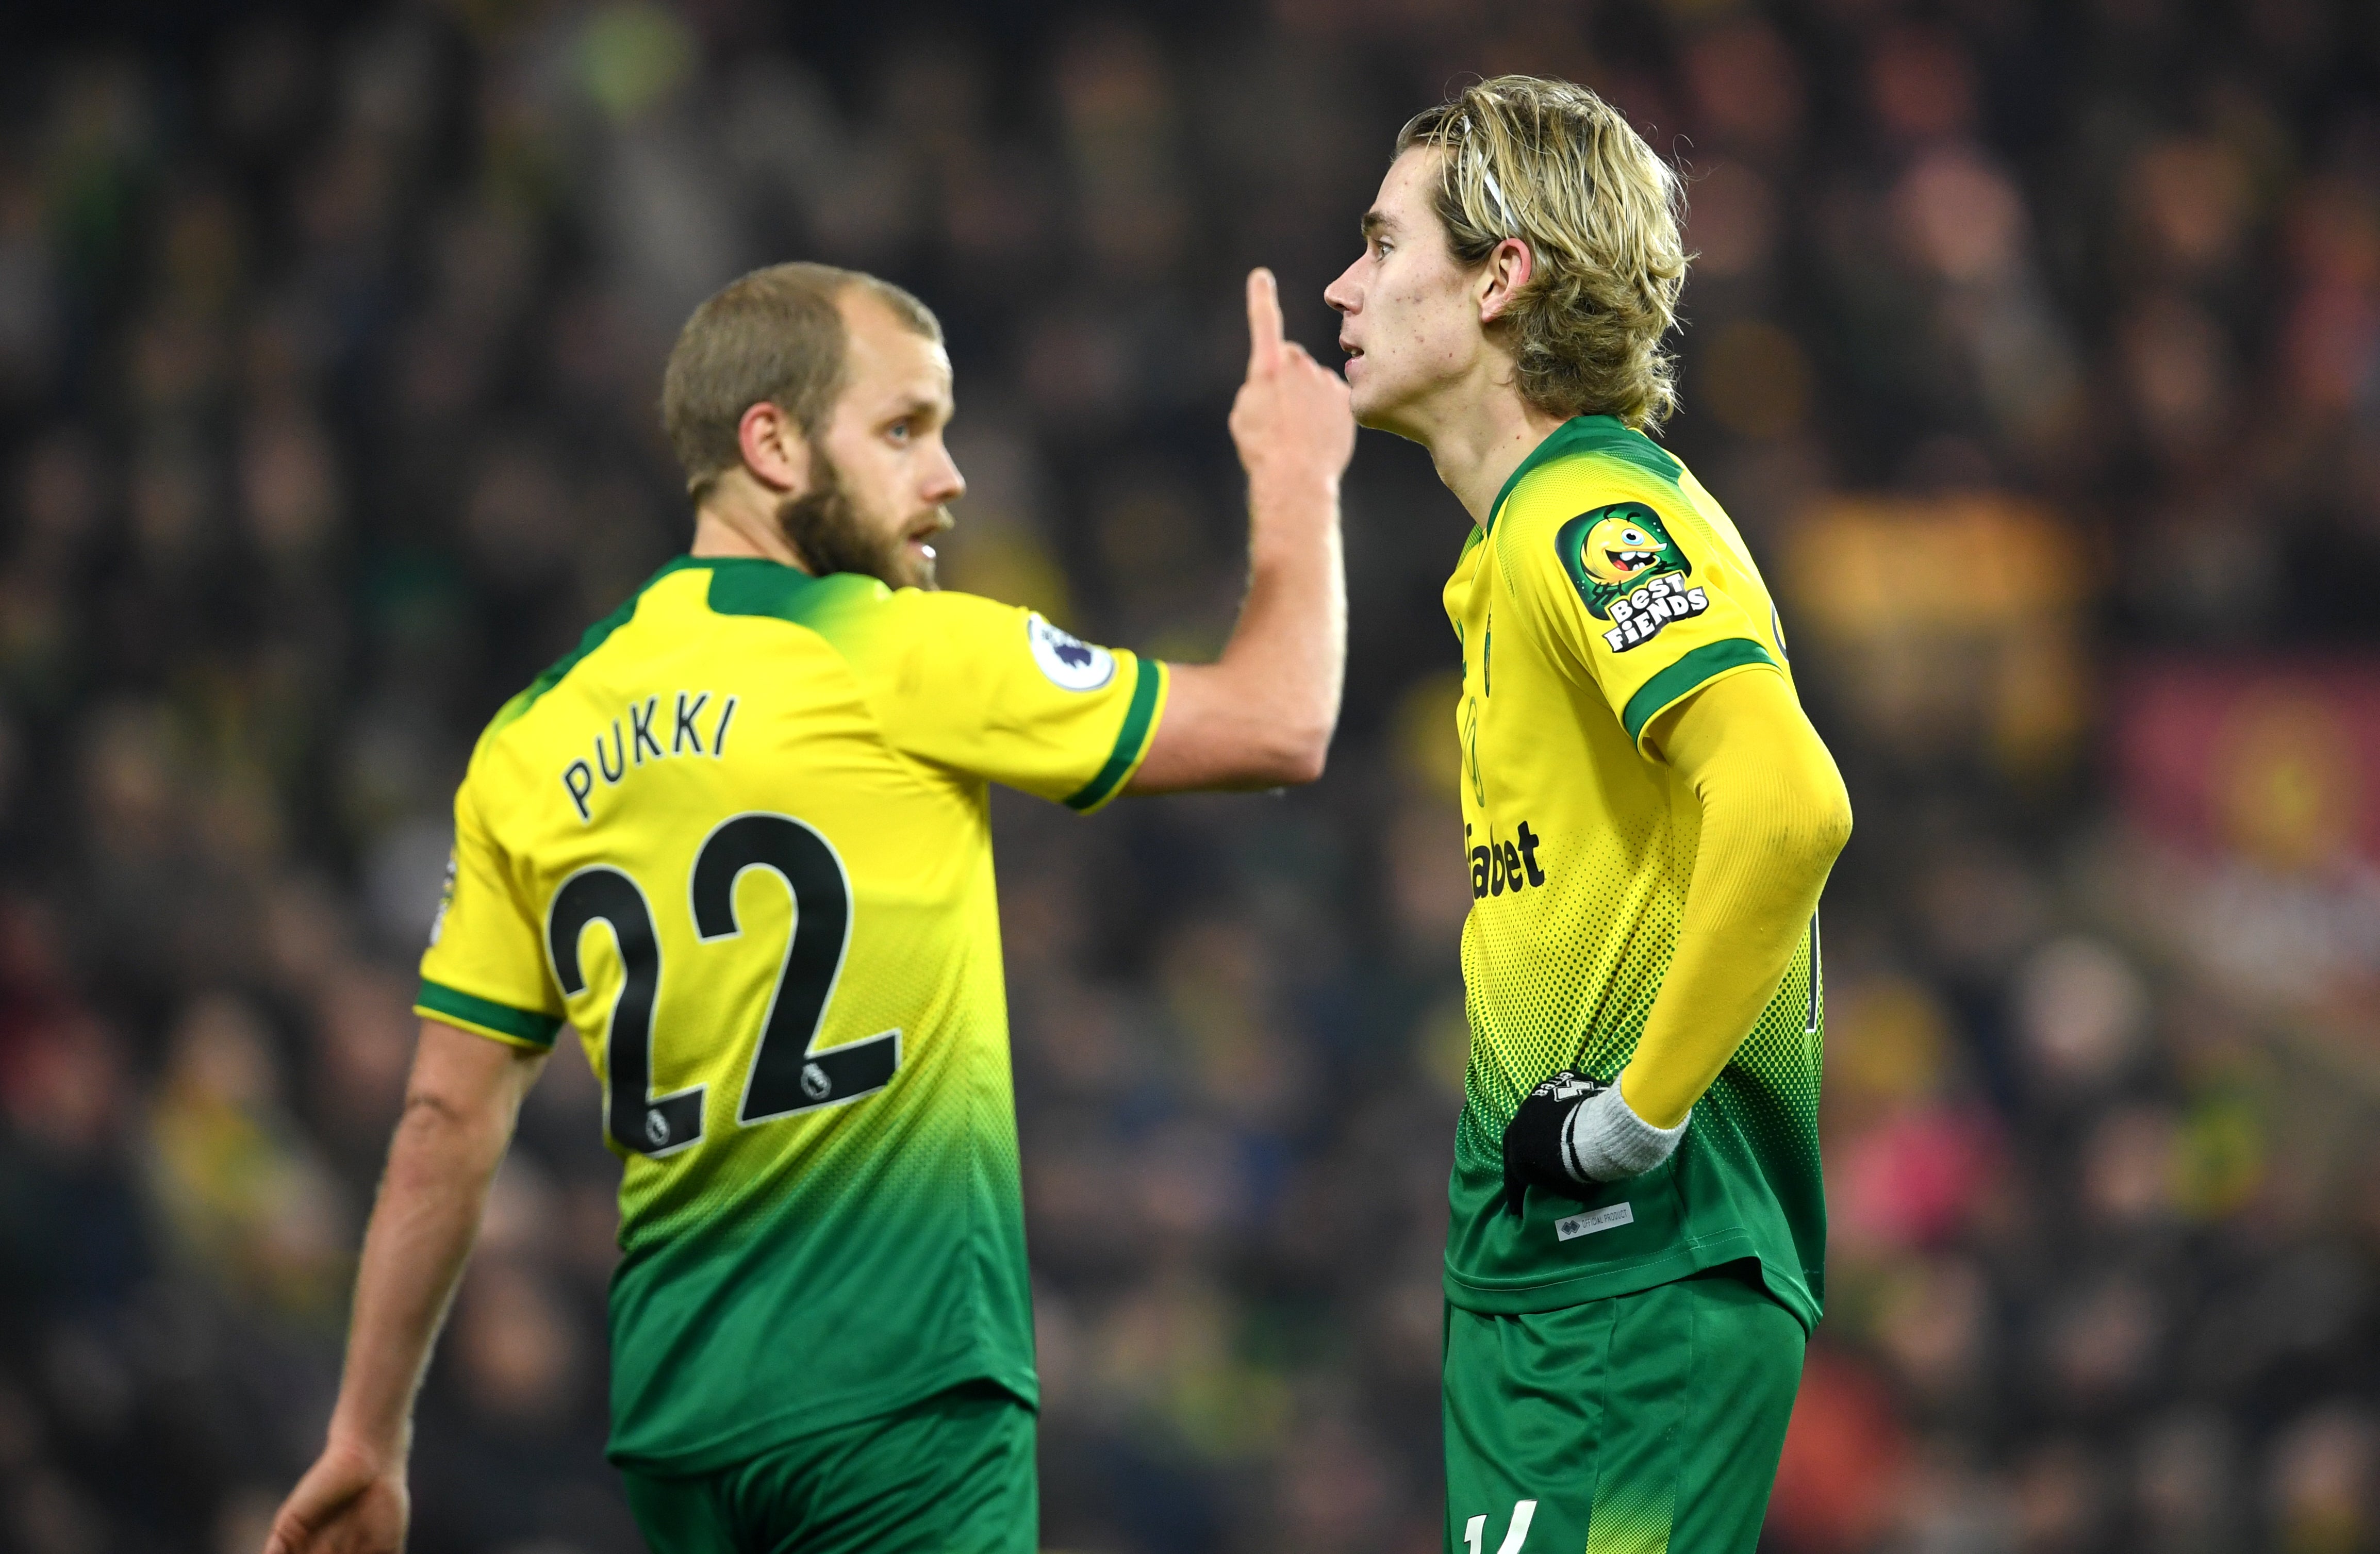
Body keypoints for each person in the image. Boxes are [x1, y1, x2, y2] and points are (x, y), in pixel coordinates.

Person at [262, 261, 1353, 1554]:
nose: (948, 475)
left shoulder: (527, 743)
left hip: (680, 1428)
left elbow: (447, 1113)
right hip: (899, 1394)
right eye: (904, 430)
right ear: (771, 443)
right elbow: (1282, 719)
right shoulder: (899, 651)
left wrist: (367, 1435)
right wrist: (1295, 481)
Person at [1324, 77, 1853, 1552]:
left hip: (1636, 1276)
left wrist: (1634, 1118)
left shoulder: (1590, 514)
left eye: (1381, 242)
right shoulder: (1519, 546)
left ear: (1502, 276)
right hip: (1553, 1284)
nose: (1341, 283)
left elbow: (1791, 800)